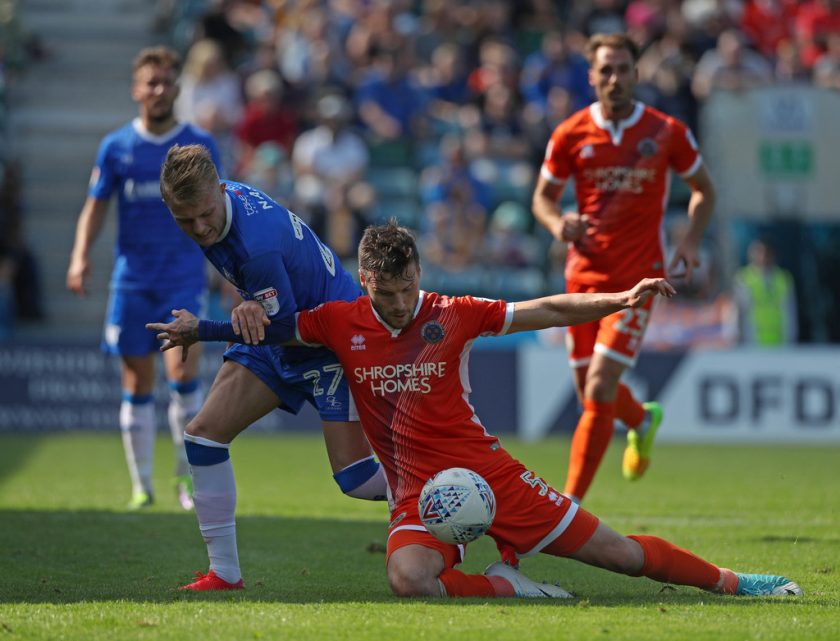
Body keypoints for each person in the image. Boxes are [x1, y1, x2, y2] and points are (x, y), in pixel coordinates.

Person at [149, 221, 802, 600]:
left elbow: (546, 309)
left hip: (492, 475)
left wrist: (619, 299)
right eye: (387, 293)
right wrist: (202, 329)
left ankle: (735, 582)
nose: (401, 303)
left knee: (622, 556)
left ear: (419, 273)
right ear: (365, 281)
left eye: (408, 287)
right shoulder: (338, 321)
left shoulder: (452, 312)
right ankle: (508, 587)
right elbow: (276, 331)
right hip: (419, 494)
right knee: (410, 579)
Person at [156, 143, 387, 591]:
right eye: (185, 220)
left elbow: (283, 327)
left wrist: (201, 329)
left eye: (205, 214)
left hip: (329, 340)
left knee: (356, 479)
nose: (200, 228)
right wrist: (251, 304)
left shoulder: (254, 247)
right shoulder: (222, 201)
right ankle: (224, 574)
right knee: (203, 437)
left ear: (219, 190)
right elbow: (272, 314)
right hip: (276, 325)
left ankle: (435, 497)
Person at [531, 33, 717, 503]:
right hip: (583, 276)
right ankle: (641, 419)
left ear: (636, 73)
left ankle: (568, 507)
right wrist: (558, 224)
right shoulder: (570, 133)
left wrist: (691, 240)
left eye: (622, 69)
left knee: (599, 384)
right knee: (589, 392)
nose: (614, 78)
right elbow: (543, 199)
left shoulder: (666, 131)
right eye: (605, 70)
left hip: (640, 278)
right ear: (591, 77)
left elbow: (704, 189)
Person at [66, 46, 224, 511]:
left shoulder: (198, 145)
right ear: (137, 90)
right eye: (151, 83)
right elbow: (95, 206)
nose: (159, 90)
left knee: (183, 378)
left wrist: (232, 269)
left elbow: (221, 209)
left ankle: (186, 480)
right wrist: (79, 256)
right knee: (136, 384)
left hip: (182, 279)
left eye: (167, 82)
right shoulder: (117, 146)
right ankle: (142, 487)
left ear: (177, 88)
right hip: (132, 282)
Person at [731, 238, 797, 346]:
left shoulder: (783, 279)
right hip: (752, 344)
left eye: (767, 254)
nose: (763, 257)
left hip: (780, 343)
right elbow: (739, 315)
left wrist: (790, 342)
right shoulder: (743, 279)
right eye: (759, 253)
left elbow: (790, 313)